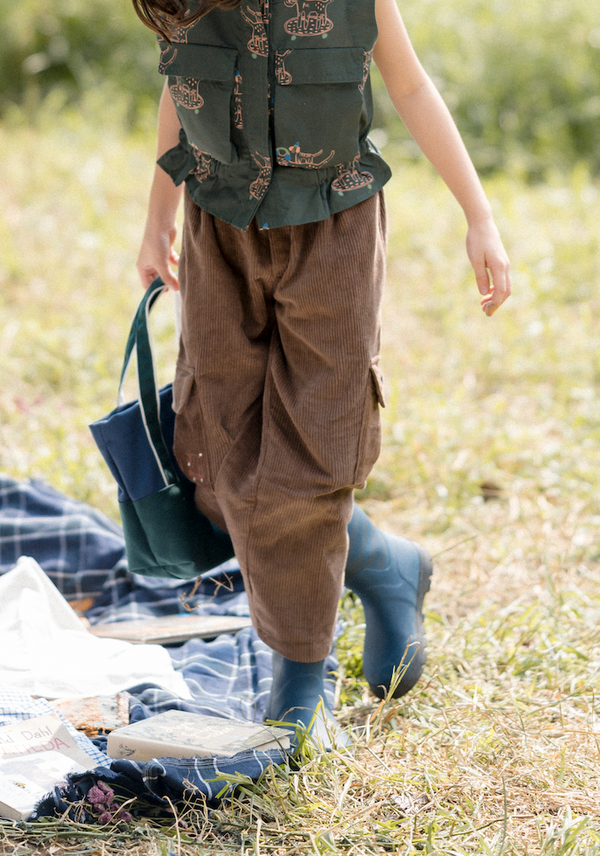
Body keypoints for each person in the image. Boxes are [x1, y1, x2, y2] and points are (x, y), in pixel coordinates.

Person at [132, 0, 511, 744]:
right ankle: (384, 562)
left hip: (332, 229)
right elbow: (181, 88)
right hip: (219, 228)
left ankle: (300, 673)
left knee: (308, 455)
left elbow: (409, 86)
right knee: (215, 461)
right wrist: (158, 217)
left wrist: (480, 215)